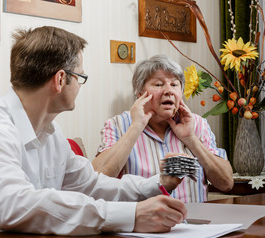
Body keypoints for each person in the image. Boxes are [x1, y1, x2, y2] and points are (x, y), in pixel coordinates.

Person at [0, 27, 187, 238]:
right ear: (61, 79)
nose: (81, 85)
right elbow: (15, 207)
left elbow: (91, 185)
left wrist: (157, 183)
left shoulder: (52, 134)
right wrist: (131, 216)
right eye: (80, 77)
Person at [93, 54, 234, 203]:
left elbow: (226, 183)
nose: (169, 91)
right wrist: (136, 126)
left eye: (174, 85)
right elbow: (96, 181)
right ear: (140, 93)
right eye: (159, 85)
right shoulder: (118, 125)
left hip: (196, 222)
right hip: (143, 223)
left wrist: (191, 139)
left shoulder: (198, 124)